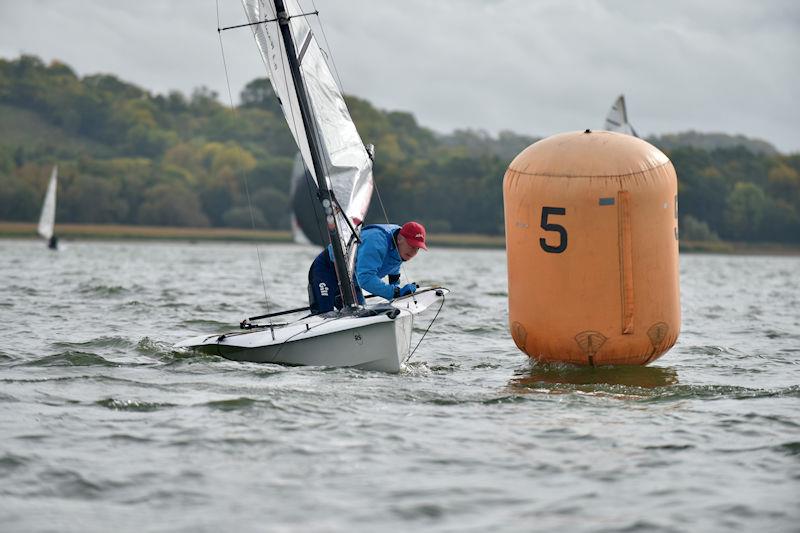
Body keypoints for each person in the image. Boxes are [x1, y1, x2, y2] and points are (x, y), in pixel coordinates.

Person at [308, 221, 427, 314]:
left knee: (359, 314)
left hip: (351, 280)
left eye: (417, 248)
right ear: (400, 239)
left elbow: (394, 269)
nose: (413, 252)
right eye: (412, 246)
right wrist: (396, 293)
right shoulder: (376, 242)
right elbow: (366, 279)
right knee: (325, 314)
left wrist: (399, 295)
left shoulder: (400, 247)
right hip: (327, 270)